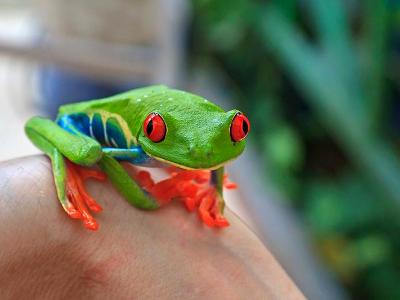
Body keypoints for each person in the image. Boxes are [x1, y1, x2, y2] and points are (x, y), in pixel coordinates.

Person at [0, 156, 305, 299]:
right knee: (88, 153)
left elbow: (214, 152)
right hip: (91, 142)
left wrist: (211, 190)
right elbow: (104, 157)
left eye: (238, 129)